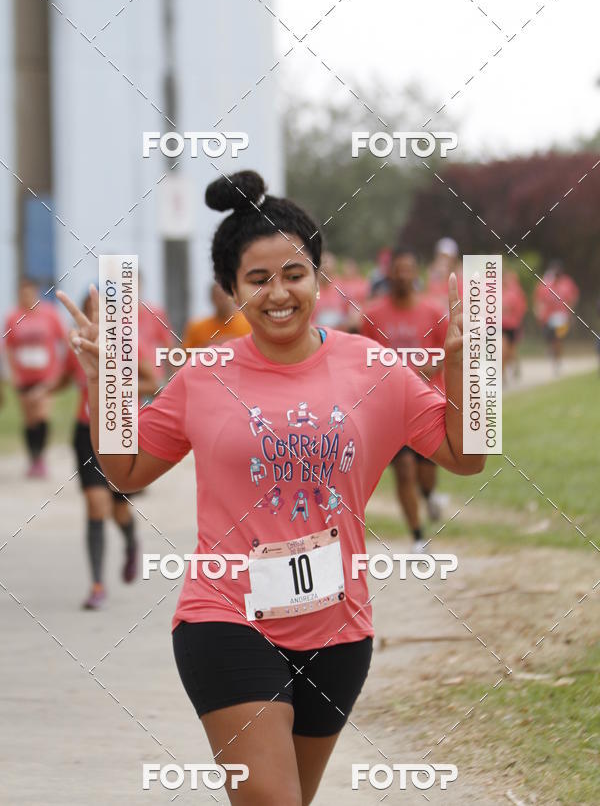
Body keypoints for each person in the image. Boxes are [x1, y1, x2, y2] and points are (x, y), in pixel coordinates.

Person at [58, 170, 484, 806]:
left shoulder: (374, 367)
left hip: (339, 630)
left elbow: (465, 457)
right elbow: (126, 471)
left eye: (294, 274)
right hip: (224, 617)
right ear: (231, 291)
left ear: (319, 276)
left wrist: (469, 370)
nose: (278, 293)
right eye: (257, 279)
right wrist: (105, 383)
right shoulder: (204, 375)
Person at [54, 288, 158, 609]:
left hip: (121, 433)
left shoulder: (129, 344)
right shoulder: (76, 345)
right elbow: (64, 377)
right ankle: (97, 584)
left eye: (100, 309)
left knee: (118, 509)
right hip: (86, 432)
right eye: (88, 308)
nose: (93, 315)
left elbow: (152, 383)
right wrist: (43, 390)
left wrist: (115, 382)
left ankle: (130, 543)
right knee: (95, 505)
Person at [360, 247, 449, 543]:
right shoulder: (372, 315)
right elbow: (363, 358)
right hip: (390, 410)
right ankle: (418, 537)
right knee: (403, 469)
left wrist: (428, 367)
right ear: (389, 274)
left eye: (408, 269)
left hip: (427, 405)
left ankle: (430, 495)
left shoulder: (433, 312)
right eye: (397, 269)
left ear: (416, 273)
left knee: (426, 473)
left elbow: (449, 351)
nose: (402, 275)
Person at [3, 278, 67, 477]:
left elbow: (63, 341)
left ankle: (40, 457)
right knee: (29, 419)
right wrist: (12, 373)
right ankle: (32, 457)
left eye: (29, 293)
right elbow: (8, 347)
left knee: (42, 415)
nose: (26, 298)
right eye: (22, 294)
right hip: (24, 376)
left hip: (45, 375)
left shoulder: (50, 314)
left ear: (37, 293)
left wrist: (59, 371)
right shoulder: (13, 317)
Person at [533, 261, 579, 375]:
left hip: (562, 317)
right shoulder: (545, 284)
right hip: (548, 317)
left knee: (558, 339)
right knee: (551, 340)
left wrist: (571, 313)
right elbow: (539, 299)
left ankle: (557, 362)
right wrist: (539, 312)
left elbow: (573, 297)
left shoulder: (567, 283)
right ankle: (553, 351)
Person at [183, 281, 251, 351]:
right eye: (218, 296)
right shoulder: (197, 327)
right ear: (212, 298)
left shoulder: (249, 323)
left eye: (225, 296)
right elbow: (186, 354)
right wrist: (207, 347)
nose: (222, 300)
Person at [502, 271, 528, 382]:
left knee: (510, 351)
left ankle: (514, 366)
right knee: (502, 350)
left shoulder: (514, 293)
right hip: (498, 327)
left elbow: (520, 309)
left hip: (511, 326)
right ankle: (502, 375)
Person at [426, 237, 462, 310]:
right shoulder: (433, 278)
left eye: (447, 257)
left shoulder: (459, 279)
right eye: (441, 257)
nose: (444, 261)